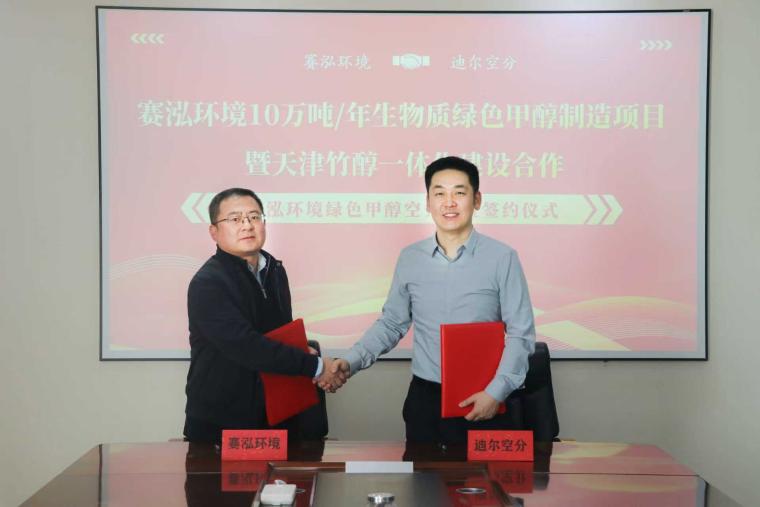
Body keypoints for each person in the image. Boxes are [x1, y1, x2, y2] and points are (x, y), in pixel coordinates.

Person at [325, 156, 536, 445]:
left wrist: (496, 392)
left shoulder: (502, 258)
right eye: (439, 193)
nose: (449, 203)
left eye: (459, 192)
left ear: (477, 200)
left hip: (485, 396)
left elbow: (521, 333)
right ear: (427, 202)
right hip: (425, 400)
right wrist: (350, 361)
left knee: (483, 477)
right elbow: (391, 324)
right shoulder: (410, 258)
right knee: (422, 474)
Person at [183, 188, 344, 443]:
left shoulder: (274, 270)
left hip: (275, 412)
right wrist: (316, 366)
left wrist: (301, 349)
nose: (247, 225)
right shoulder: (208, 282)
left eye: (254, 217)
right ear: (214, 231)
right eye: (235, 219)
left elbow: (276, 334)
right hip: (224, 421)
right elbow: (246, 346)